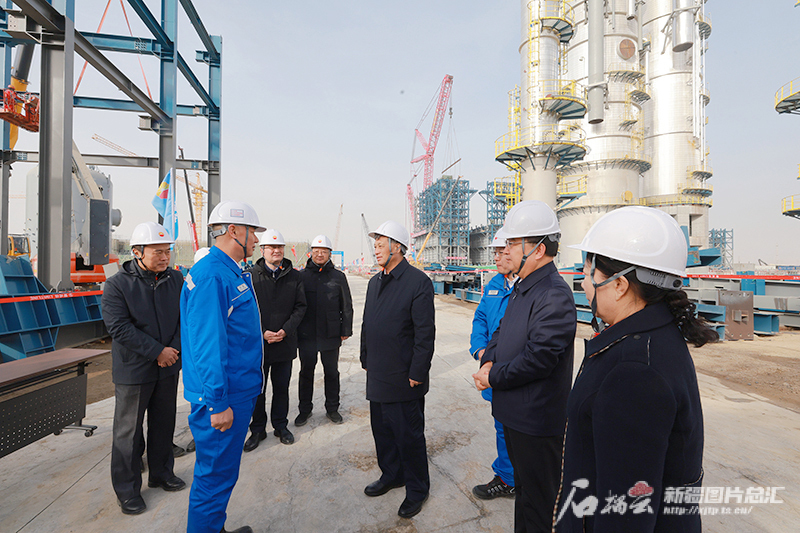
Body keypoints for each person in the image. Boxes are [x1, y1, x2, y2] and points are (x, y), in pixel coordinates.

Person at [554, 206, 714, 532]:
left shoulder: (634, 373)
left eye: (588, 274)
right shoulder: (656, 336)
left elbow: (625, 513)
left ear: (619, 285)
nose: (583, 284)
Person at [472, 200, 576, 533]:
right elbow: (501, 330)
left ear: (539, 249)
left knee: (540, 505)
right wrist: (488, 358)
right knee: (525, 498)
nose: (506, 250)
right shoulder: (523, 286)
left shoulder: (553, 294)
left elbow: (539, 358)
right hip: (515, 414)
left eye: (514, 243)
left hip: (536, 423)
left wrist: (492, 376)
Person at [181, 200, 266, 533]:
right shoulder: (213, 275)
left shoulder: (227, 271)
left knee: (221, 475)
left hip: (234, 390)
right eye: (252, 232)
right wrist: (218, 403)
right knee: (214, 478)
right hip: (223, 396)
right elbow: (207, 345)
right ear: (234, 231)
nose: (256, 239)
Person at [102, 221, 186, 515]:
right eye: (157, 252)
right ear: (137, 252)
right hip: (135, 370)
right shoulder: (117, 284)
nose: (164, 257)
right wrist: (157, 351)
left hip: (168, 365)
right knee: (128, 433)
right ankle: (127, 491)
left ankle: (161, 473)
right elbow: (118, 327)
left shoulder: (175, 279)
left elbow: (184, 318)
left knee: (163, 424)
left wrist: (172, 351)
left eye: (167, 251)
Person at [361, 220, 435, 519]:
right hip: (378, 372)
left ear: (398, 247)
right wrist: (365, 358)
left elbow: (424, 333)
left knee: (409, 436)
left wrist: (418, 372)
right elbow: (368, 323)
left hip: (405, 377)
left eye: (381, 244)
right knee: (382, 431)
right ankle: (392, 474)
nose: (376, 249)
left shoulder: (418, 282)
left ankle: (417, 489)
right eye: (375, 244)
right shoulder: (374, 282)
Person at [243, 229, 306, 450]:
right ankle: (257, 429)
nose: (276, 250)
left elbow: (301, 307)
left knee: (281, 388)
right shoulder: (250, 276)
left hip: (284, 343)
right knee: (257, 390)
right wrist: (261, 332)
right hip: (258, 345)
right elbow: (245, 311)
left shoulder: (295, 276)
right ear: (262, 250)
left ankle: (280, 426)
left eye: (279, 247)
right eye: (271, 247)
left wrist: (285, 331)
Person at [469, 229, 516, 500]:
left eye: (500, 252)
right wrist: (480, 351)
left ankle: (513, 478)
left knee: (515, 428)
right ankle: (508, 477)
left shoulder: (527, 288)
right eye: (494, 252)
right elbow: (480, 319)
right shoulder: (495, 284)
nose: (496, 257)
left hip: (514, 371)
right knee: (502, 426)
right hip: (492, 370)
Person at [295, 234, 353, 426]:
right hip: (307, 334)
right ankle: (304, 410)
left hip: (331, 333)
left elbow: (346, 305)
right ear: (311, 253)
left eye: (324, 251)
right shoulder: (301, 277)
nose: (320, 254)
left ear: (330, 254)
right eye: (316, 251)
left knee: (331, 372)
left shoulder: (338, 277)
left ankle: (332, 408)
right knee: (306, 372)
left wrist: (346, 329)